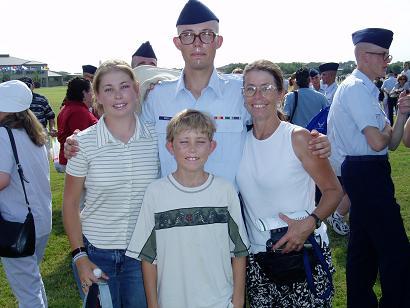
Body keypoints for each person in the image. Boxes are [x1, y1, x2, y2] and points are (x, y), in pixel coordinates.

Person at [64, 0, 331, 184]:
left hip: (230, 214)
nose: (198, 43)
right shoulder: (158, 97)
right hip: (172, 216)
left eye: (206, 34)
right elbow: (127, 136)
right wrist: (82, 140)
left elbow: (272, 130)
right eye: (189, 36)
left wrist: (312, 141)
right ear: (178, 43)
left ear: (218, 41)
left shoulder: (240, 92)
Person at [237, 60, 342, 307]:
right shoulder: (238, 141)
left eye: (266, 88)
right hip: (259, 260)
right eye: (250, 88)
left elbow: (333, 190)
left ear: (281, 93)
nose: (258, 96)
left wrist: (310, 222)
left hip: (303, 254)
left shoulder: (298, 138)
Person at [126, 109, 249, 308]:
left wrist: (238, 301)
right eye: (184, 141)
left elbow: (239, 251)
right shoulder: (156, 193)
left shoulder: (225, 191)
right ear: (170, 147)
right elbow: (148, 258)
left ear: (212, 146)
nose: (192, 149)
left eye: (200, 141)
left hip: (219, 301)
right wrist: (153, 305)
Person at [62, 60, 160, 307]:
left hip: (142, 255)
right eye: (108, 89)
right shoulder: (82, 144)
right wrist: (79, 256)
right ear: (97, 96)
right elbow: (71, 204)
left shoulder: (157, 138)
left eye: (124, 86)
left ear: (137, 90)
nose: (118, 95)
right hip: (97, 253)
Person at [327, 27, 410, 307]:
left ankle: (360, 302)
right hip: (365, 171)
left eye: (387, 55)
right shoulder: (355, 89)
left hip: (368, 170)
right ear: (363, 56)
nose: (387, 61)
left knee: (363, 249)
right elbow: (377, 141)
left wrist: (402, 115)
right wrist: (386, 133)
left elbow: (393, 142)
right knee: (395, 248)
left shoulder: (367, 90)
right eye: (382, 55)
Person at [0, 80, 52, 307]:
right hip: (39, 221)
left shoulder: (3, 134)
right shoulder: (34, 132)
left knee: (28, 293)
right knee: (32, 281)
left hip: (17, 223)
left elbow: (2, 179)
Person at [55, 77, 97, 173]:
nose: (93, 95)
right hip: (77, 163)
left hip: (71, 161)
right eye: (91, 91)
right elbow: (84, 141)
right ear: (84, 93)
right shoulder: (79, 112)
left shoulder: (68, 108)